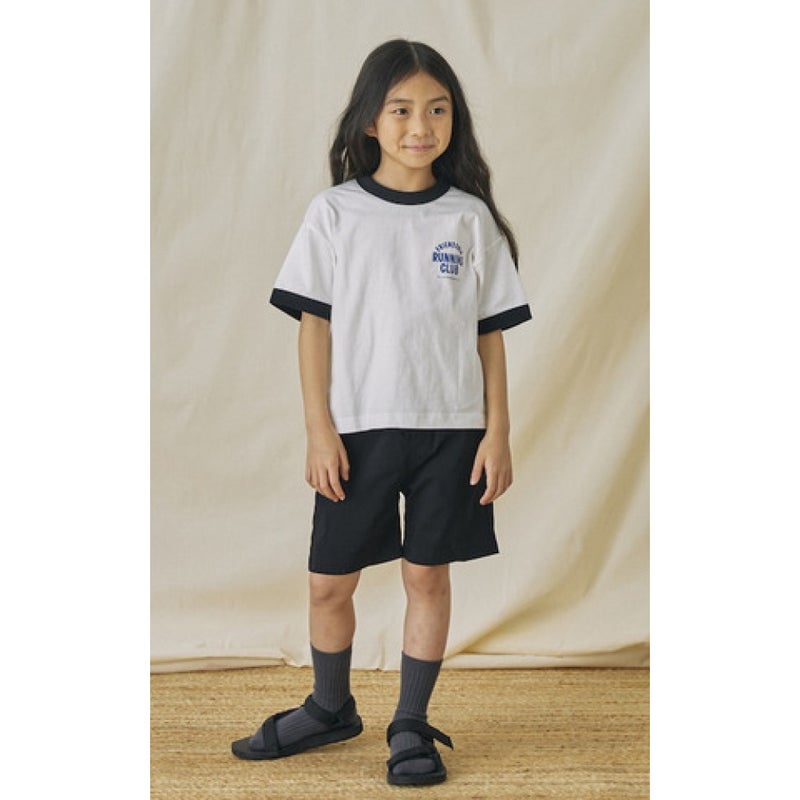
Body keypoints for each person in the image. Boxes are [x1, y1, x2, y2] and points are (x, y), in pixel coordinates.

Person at [232, 39, 531, 787]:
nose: (420, 126)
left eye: (437, 110)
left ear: (454, 120)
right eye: (401, 110)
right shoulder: (336, 212)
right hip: (357, 431)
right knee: (329, 582)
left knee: (427, 576)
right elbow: (315, 327)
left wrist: (497, 431)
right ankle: (330, 707)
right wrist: (319, 430)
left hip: (451, 431)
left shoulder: (469, 219)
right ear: (370, 119)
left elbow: (489, 336)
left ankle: (410, 724)